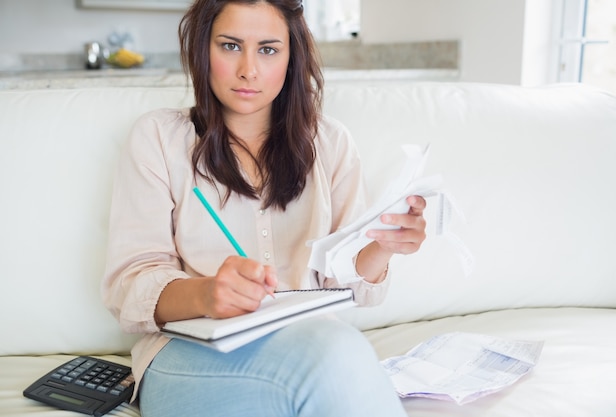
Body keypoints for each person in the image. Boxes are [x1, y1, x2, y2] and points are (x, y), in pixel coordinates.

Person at [102, 0, 427, 416]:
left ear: (292, 57)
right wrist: (205, 293)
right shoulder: (159, 139)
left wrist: (385, 244)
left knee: (334, 354)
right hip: (190, 353)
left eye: (268, 50)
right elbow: (129, 286)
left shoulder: (330, 143)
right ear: (203, 49)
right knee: (339, 354)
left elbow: (347, 285)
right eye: (231, 46)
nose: (248, 70)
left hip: (307, 345)